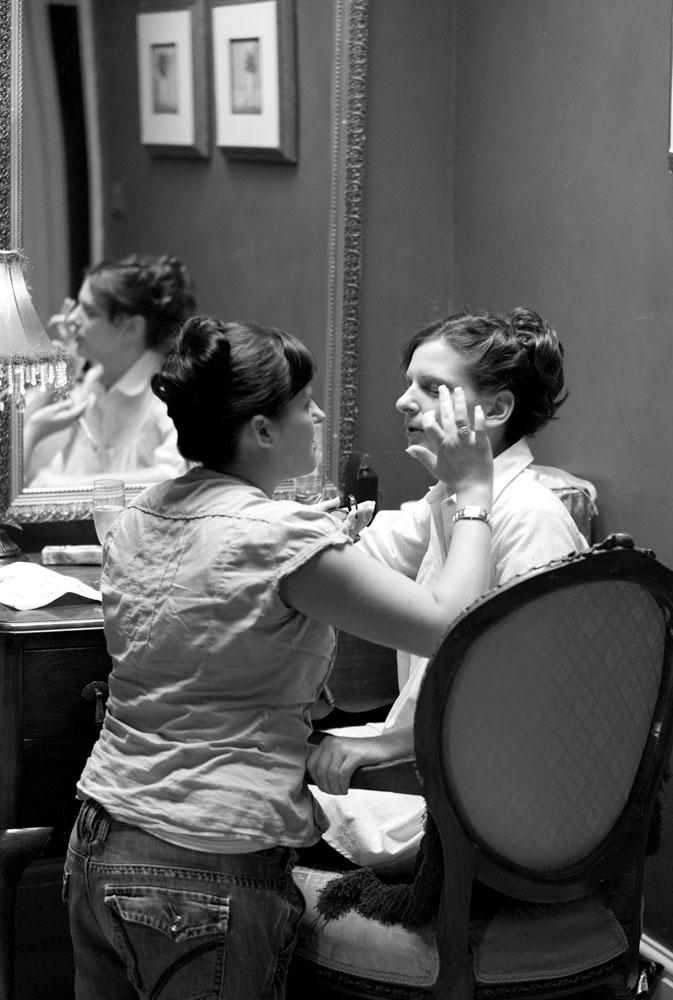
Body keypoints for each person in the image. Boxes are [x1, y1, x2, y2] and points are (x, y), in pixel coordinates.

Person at [63, 315, 495, 1000]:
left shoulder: (145, 511)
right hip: (206, 856)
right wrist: (473, 497)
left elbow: (218, 642)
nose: (319, 414)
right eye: (304, 404)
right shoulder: (277, 535)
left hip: (100, 840)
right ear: (262, 430)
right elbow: (451, 626)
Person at [308, 306, 590, 875]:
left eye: (432, 387)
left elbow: (533, 699)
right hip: (439, 754)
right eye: (408, 383)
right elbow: (372, 555)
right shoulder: (452, 500)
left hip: (489, 800)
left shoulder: (529, 515)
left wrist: (391, 746)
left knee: (261, 801)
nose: (403, 401)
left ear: (496, 409)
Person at [24, 253, 197, 486]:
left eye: (90, 312)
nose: (72, 318)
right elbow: (22, 460)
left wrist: (62, 486)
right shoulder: (92, 384)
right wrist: (61, 374)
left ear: (132, 327)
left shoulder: (165, 392)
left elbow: (176, 475)